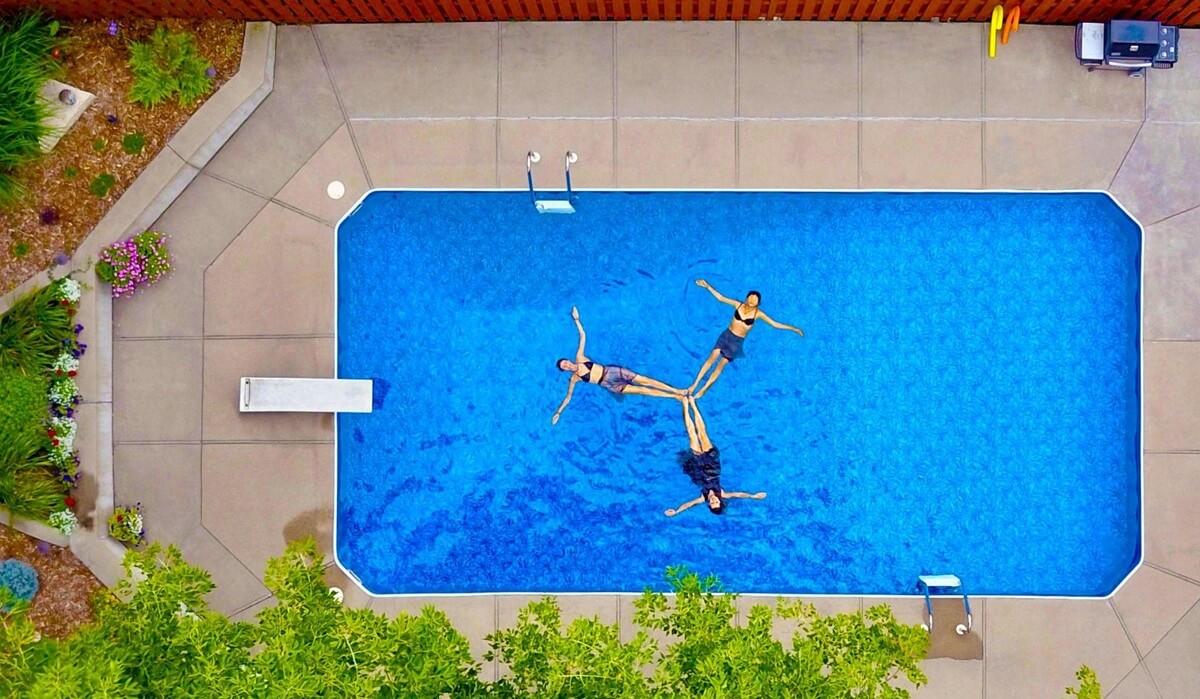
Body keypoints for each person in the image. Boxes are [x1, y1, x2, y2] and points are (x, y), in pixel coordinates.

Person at [553, 306, 685, 425]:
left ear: (568, 360)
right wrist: (558, 412)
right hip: (609, 384)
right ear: (565, 370)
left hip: (612, 371)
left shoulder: (580, 358)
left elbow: (583, 336)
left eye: (565, 363)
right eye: (564, 367)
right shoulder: (575, 378)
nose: (567, 365)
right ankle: (675, 396)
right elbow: (568, 397)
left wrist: (576, 319)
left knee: (645, 380)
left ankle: (677, 391)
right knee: (642, 390)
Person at [687, 280, 804, 399]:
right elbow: (721, 298)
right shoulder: (738, 305)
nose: (752, 300)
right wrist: (707, 286)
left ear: (758, 303)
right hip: (726, 335)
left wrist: (793, 328)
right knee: (711, 358)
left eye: (755, 299)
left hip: (736, 342)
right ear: (746, 298)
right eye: (751, 297)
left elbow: (775, 324)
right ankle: (694, 384)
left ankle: (704, 389)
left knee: (721, 365)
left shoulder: (758, 314)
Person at [665, 396, 765, 517]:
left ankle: (685, 405)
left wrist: (676, 511)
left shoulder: (703, 497)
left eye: (712, 503)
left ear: (709, 504)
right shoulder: (722, 493)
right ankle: (693, 404)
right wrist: (753, 496)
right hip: (713, 463)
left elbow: (689, 504)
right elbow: (738, 494)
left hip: (699, 464)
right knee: (702, 433)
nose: (713, 500)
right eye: (716, 502)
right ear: (720, 501)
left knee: (692, 434)